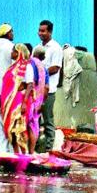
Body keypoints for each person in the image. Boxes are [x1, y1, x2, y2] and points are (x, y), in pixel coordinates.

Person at [1, 44, 35, 154]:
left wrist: (25, 102)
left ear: (19, 52)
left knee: (19, 129)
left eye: (13, 51)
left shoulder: (27, 66)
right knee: (11, 130)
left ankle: (24, 154)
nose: (11, 53)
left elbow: (30, 85)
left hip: (20, 101)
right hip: (10, 102)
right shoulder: (13, 66)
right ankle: (16, 153)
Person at [36, 20, 63, 151]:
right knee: (34, 119)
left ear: (50, 32)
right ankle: (35, 147)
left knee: (48, 120)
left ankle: (48, 149)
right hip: (36, 90)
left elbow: (55, 68)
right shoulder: (38, 47)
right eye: (39, 30)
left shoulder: (56, 48)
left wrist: (40, 71)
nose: (40, 33)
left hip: (49, 90)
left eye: (43, 31)